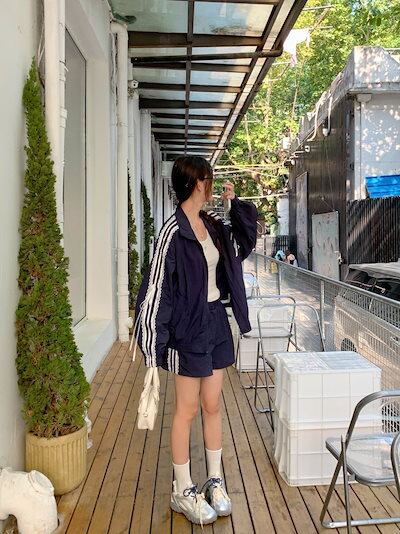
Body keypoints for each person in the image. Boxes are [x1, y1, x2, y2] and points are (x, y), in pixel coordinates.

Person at [133, 156, 258, 526]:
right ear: (196, 183)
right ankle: (183, 488)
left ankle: (214, 481)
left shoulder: (213, 224)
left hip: (215, 320)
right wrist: (154, 344)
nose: (212, 185)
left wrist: (235, 206)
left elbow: (245, 243)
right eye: (208, 179)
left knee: (212, 404)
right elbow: (156, 287)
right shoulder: (171, 231)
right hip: (188, 327)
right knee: (186, 409)